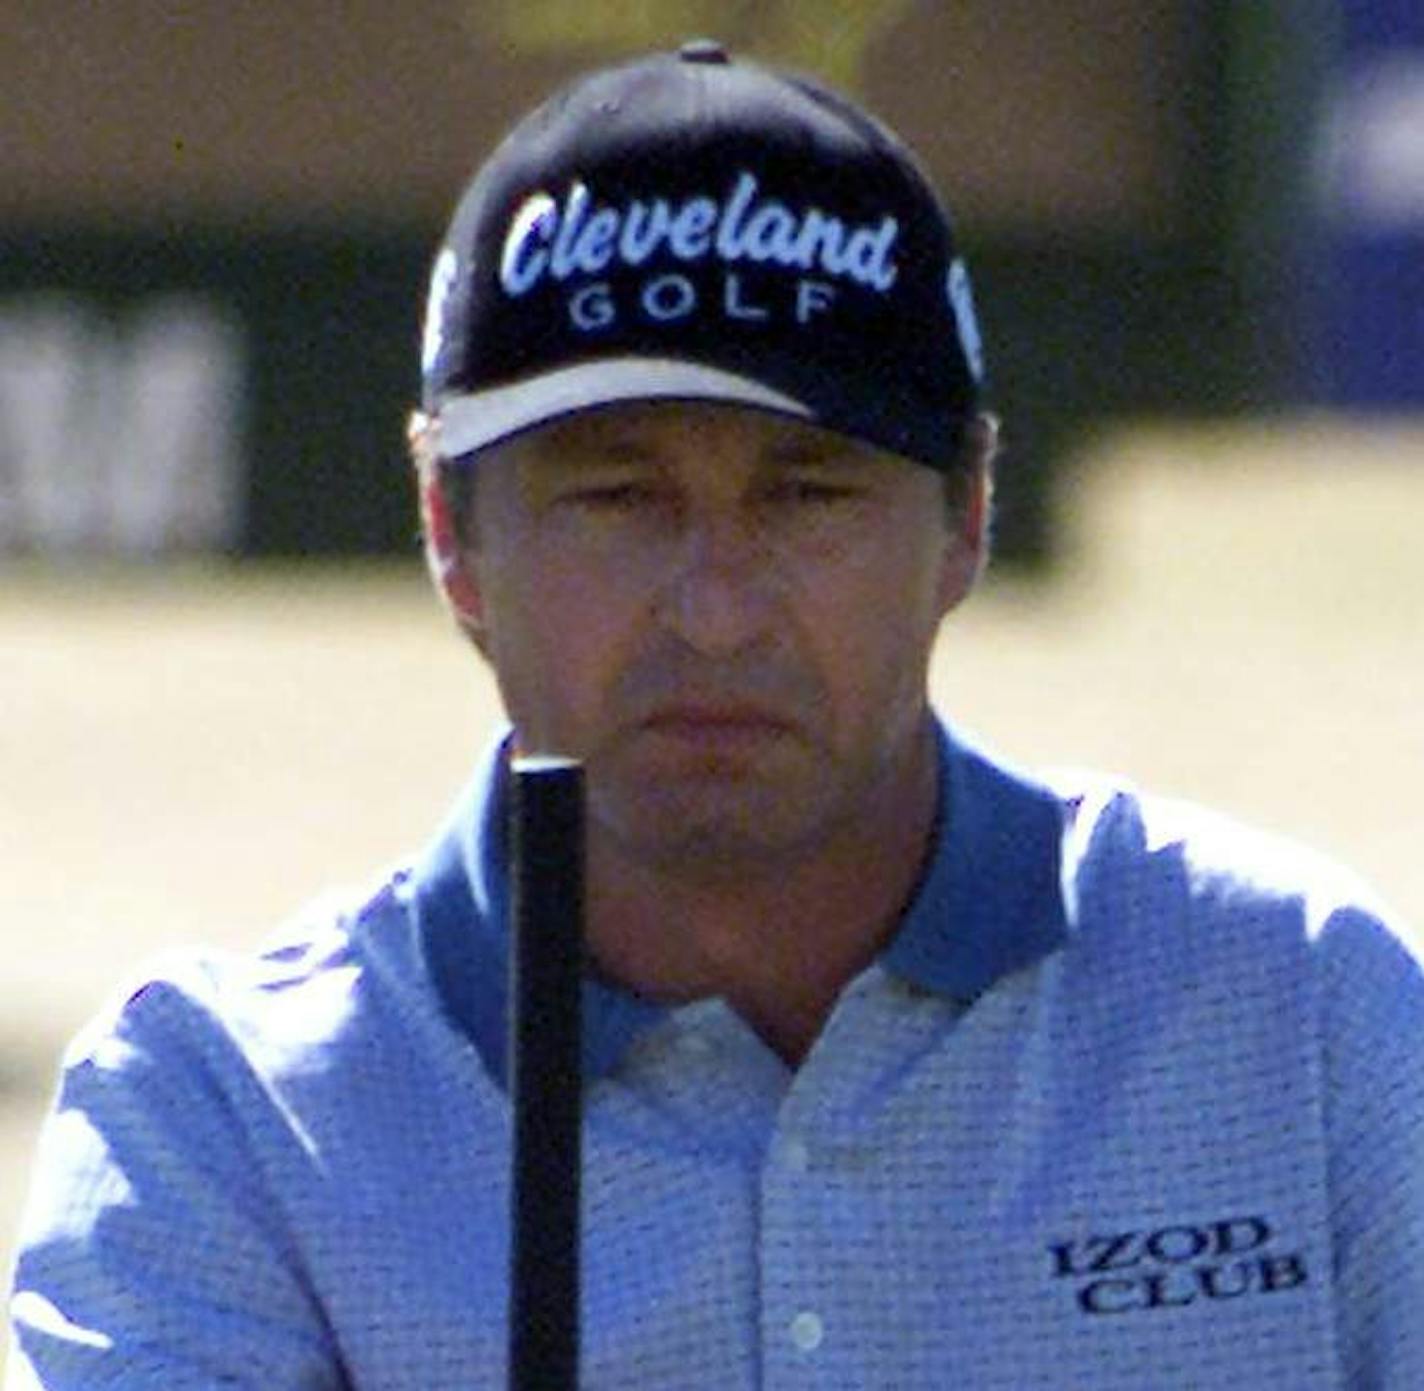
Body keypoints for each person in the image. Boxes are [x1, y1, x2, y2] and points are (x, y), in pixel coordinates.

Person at [8, 40, 1423, 1390]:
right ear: (451, 532)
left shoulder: (1298, 1013)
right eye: (617, 498)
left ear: (967, 519)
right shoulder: (223, 1122)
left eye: (809, 494)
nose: (717, 610)